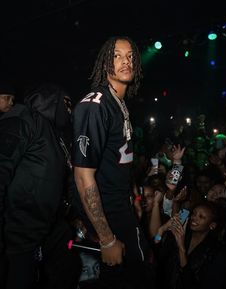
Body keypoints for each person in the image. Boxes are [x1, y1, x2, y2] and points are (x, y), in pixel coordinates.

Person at [72, 36, 154, 289]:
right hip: (107, 215)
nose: (125, 61)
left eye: (130, 56)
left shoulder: (120, 103)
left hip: (122, 206)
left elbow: (119, 160)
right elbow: (83, 176)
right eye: (117, 55)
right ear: (105, 61)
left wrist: (133, 198)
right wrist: (107, 238)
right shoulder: (95, 105)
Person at [0, 83, 81, 289]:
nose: (69, 111)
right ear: (51, 101)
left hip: (49, 228)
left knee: (68, 268)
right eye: (66, 105)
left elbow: (70, 184)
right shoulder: (25, 119)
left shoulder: (60, 139)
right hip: (18, 233)